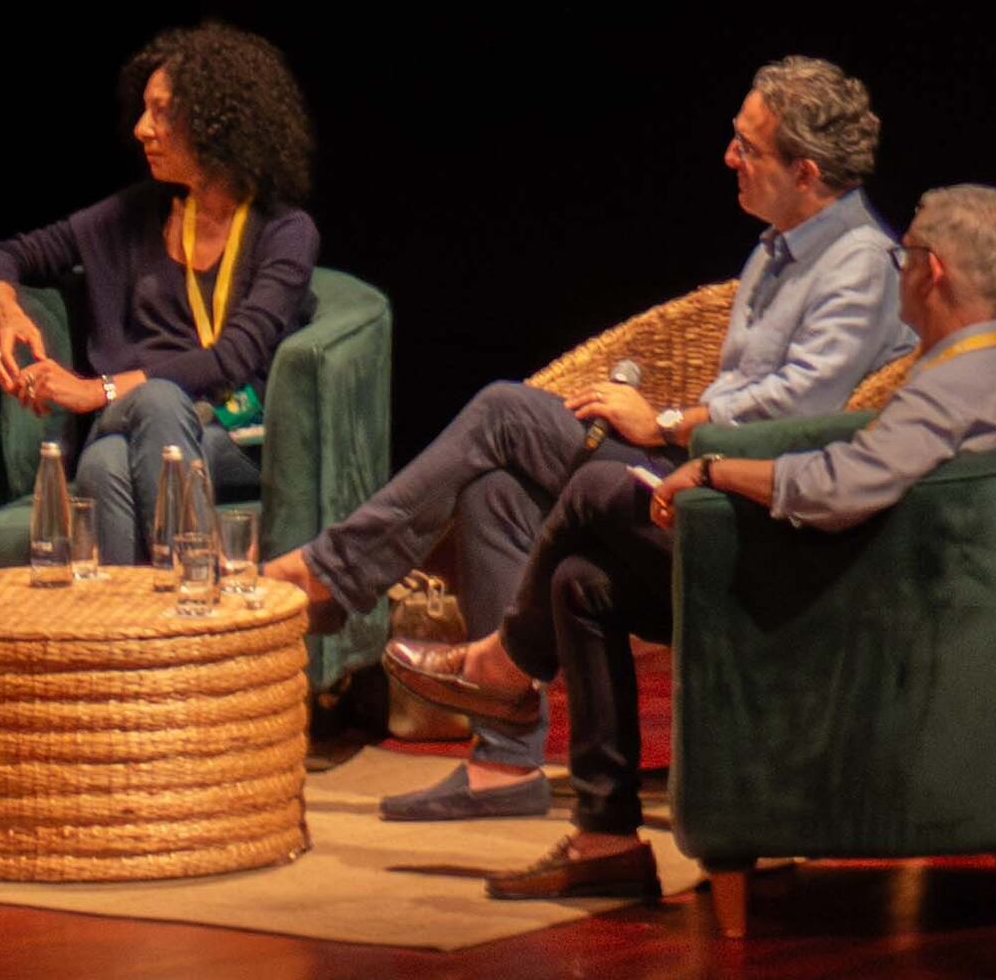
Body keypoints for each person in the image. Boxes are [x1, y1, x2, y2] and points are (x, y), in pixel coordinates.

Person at [395, 184, 996, 904]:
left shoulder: (952, 386)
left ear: (931, 270)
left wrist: (716, 468)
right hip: (841, 576)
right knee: (583, 581)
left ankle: (507, 663)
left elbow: (839, 490)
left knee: (597, 494)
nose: (895, 269)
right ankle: (606, 838)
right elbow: (849, 467)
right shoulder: (988, 370)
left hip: (835, 602)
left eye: (904, 257)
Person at [279, 57, 896, 823]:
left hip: (747, 501)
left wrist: (665, 422)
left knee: (505, 411)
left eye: (748, 146)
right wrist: (668, 414)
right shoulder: (778, 245)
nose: (728, 156)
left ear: (806, 171)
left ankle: (331, 573)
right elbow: (745, 390)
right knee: (493, 491)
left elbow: (805, 408)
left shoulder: (862, 265)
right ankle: (507, 767)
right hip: (696, 463)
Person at [0, 22, 322, 566]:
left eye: (162, 112)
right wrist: (7, 311)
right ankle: (199, 610)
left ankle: (130, 641)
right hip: (135, 412)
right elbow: (1, 256)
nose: (141, 128)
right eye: (144, 109)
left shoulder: (283, 232)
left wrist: (99, 390)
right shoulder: (134, 215)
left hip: (236, 431)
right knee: (152, 405)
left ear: (216, 125)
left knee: (103, 466)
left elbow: (233, 360)